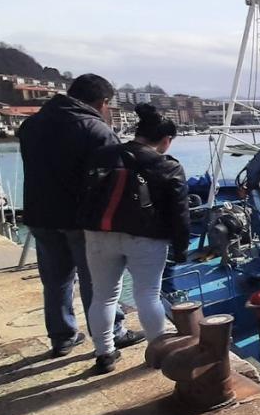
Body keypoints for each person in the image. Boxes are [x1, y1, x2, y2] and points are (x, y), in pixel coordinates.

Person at [17, 74, 141, 357]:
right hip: (80, 219)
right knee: (98, 280)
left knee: (56, 280)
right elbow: (116, 179)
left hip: (40, 215)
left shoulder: (31, 125)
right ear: (103, 102)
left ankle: (62, 338)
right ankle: (111, 333)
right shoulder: (94, 130)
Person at [81, 104, 190, 373]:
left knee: (104, 296)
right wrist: (181, 248)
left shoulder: (101, 155)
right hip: (146, 238)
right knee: (149, 295)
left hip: (98, 234)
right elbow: (180, 213)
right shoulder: (167, 166)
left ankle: (104, 353)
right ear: (166, 140)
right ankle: (157, 351)